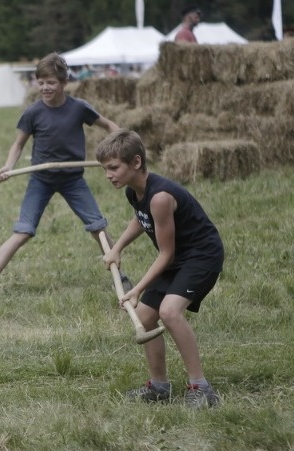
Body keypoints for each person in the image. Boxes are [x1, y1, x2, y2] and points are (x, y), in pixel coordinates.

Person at [0, 52, 126, 298]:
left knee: (98, 227)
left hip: (73, 179)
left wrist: (120, 144)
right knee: (23, 231)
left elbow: (109, 125)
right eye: (41, 82)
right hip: (41, 179)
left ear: (64, 83)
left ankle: (120, 276)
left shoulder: (78, 108)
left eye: (51, 82)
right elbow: (18, 144)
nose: (45, 87)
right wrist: (8, 166)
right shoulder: (33, 113)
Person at [96, 129, 223, 408]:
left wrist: (136, 289)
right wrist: (117, 248)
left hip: (201, 257)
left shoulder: (161, 197)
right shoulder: (135, 191)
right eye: (106, 169)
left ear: (136, 163)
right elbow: (142, 220)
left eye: (114, 167)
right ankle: (159, 386)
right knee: (144, 316)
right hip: (179, 258)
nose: (108, 175)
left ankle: (201, 387)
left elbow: (166, 254)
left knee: (169, 311)